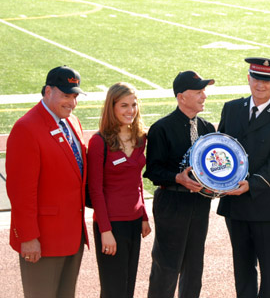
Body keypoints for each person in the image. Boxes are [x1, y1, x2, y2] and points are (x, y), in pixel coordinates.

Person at [217, 57, 270, 298]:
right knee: (242, 270)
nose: (260, 85)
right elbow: (220, 147)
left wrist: (249, 185)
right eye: (256, 78)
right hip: (236, 204)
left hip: (268, 208)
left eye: (267, 80)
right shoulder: (231, 108)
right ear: (248, 78)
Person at [6, 66, 88, 298]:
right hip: (43, 240)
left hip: (72, 236)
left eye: (75, 96)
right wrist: (28, 237)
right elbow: (21, 191)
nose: (72, 102)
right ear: (48, 91)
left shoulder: (73, 122)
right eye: (65, 95)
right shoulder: (26, 128)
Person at [145, 71, 215, 298]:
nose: (204, 96)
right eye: (198, 92)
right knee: (166, 266)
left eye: (204, 91)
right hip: (172, 203)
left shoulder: (208, 128)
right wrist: (178, 177)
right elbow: (153, 171)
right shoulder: (161, 128)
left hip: (199, 203)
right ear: (181, 96)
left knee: (194, 267)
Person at [88, 83, 151, 298]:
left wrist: (143, 215)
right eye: (124, 105)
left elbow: (137, 181)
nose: (130, 110)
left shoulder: (141, 138)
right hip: (111, 225)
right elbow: (95, 190)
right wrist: (105, 231)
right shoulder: (99, 142)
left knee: (127, 287)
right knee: (113, 289)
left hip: (134, 222)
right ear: (112, 107)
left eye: (133, 105)